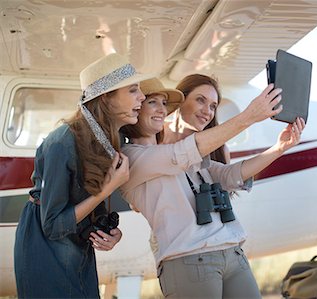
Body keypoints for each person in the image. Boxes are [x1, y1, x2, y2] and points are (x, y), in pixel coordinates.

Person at [120, 74, 305, 298]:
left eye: (164, 103)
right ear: (135, 109)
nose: (161, 109)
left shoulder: (190, 154)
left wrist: (279, 148)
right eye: (152, 102)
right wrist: (249, 116)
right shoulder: (133, 157)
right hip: (189, 258)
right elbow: (179, 154)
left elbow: (230, 174)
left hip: (232, 253)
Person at [14, 53, 151, 298]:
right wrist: (106, 191)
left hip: (78, 245)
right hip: (44, 248)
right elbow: (53, 225)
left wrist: (107, 233)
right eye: (133, 90)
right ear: (106, 98)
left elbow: (86, 204)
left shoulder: (112, 140)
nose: (142, 97)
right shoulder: (62, 142)